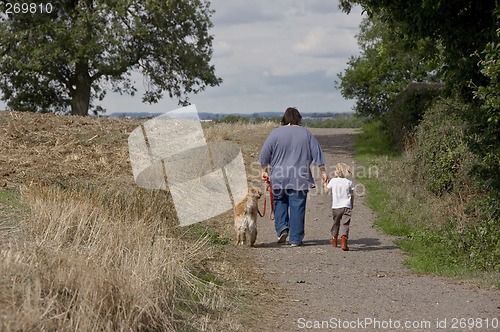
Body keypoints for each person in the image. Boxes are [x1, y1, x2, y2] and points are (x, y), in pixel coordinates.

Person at [259, 107, 327, 246]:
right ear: (299, 119)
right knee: (297, 206)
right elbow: (317, 154)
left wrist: (263, 170)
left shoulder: (275, 133)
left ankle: (282, 228)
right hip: (300, 177)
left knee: (280, 202)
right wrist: (323, 172)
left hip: (278, 177)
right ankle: (295, 239)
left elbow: (264, 154)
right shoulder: (306, 134)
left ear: (285, 119)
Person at [323, 162, 354, 251]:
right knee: (345, 224)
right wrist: (351, 204)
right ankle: (344, 240)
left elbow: (326, 190)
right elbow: (352, 195)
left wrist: (325, 183)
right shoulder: (349, 182)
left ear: (337, 172)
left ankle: (334, 239)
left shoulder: (333, 181)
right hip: (347, 207)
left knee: (336, 223)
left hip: (336, 207)